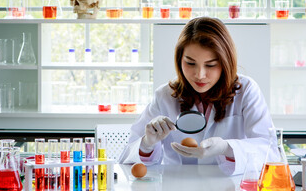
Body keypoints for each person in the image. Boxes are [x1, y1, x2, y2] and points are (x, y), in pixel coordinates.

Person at [119, 17, 278, 175]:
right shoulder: (165, 96)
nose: (200, 75)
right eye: (190, 63)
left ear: (225, 62)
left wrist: (226, 148)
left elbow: (271, 154)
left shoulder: (246, 91)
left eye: (210, 65)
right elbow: (125, 161)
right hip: (179, 185)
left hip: (230, 185)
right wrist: (147, 143)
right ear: (179, 60)